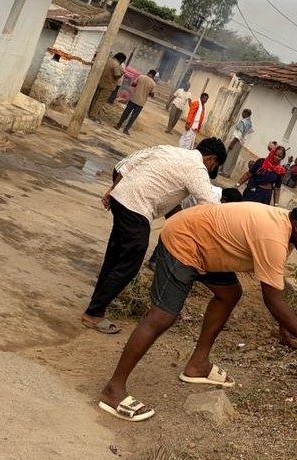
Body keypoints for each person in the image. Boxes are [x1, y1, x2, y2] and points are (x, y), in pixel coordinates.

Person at [97, 199, 297, 421]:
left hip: (206, 244)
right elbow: (273, 301)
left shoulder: (285, 229)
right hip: (184, 240)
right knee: (162, 316)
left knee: (230, 294)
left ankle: (198, 364)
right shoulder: (274, 237)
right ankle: (113, 390)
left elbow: (274, 287)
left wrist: (286, 330)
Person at [81, 137, 228, 335]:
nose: (210, 171)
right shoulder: (197, 168)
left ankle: (99, 301)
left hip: (121, 198)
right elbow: (211, 207)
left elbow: (124, 165)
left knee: (115, 256)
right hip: (137, 208)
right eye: (213, 167)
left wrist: (112, 190)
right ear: (212, 160)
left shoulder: (168, 150)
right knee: (130, 264)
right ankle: (94, 313)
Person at [116, 69, 157, 135]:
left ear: (148, 72)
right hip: (141, 102)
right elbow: (152, 94)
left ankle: (118, 125)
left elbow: (133, 84)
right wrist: (148, 92)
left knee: (126, 113)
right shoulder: (153, 84)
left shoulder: (141, 77)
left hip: (133, 99)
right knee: (133, 117)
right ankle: (126, 130)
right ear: (154, 76)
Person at [90, 52, 126, 120]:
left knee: (95, 99)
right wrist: (122, 73)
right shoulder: (116, 65)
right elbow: (116, 75)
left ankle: (90, 113)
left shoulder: (108, 60)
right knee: (100, 101)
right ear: (121, 60)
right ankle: (93, 115)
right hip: (108, 85)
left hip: (100, 82)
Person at [221, 109, 254, 176]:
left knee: (230, 156)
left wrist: (232, 143)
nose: (242, 114)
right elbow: (249, 132)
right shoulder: (249, 123)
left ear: (246, 113)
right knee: (234, 158)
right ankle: (229, 172)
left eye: (243, 112)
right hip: (241, 142)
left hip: (236, 141)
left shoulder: (243, 122)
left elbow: (239, 134)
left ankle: (225, 172)